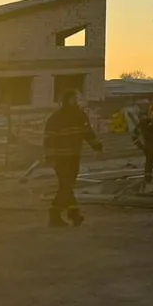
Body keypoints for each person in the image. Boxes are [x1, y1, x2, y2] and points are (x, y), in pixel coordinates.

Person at [43, 90, 103, 228]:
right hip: (60, 158)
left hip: (74, 156)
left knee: (67, 186)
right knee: (66, 185)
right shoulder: (56, 118)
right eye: (73, 98)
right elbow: (49, 138)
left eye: (76, 98)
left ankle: (68, 215)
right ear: (66, 99)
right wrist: (50, 157)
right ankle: (62, 214)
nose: (75, 101)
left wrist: (97, 147)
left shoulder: (80, 116)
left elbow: (88, 133)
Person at [132, 102, 153, 183]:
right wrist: (141, 146)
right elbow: (135, 136)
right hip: (151, 145)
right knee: (150, 162)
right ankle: (151, 178)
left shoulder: (151, 122)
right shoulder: (143, 124)